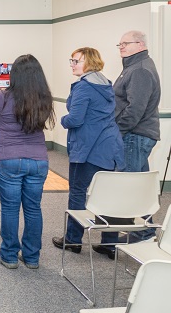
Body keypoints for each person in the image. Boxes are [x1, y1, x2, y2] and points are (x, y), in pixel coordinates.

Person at [0, 54, 55, 269]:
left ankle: (9, 255)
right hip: (38, 161)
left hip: (9, 159)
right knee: (33, 208)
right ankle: (32, 257)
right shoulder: (45, 98)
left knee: (10, 208)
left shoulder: (4, 97)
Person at [93, 30, 162, 254]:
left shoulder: (140, 70)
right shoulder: (133, 67)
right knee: (140, 186)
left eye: (126, 43)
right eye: (119, 44)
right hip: (135, 135)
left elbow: (135, 109)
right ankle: (145, 232)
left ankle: (142, 234)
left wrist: (117, 131)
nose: (121, 47)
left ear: (140, 44)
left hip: (135, 135)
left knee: (129, 187)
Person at [51, 47, 124, 256]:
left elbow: (75, 119)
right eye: (71, 60)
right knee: (108, 194)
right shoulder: (105, 83)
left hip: (88, 149)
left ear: (89, 62)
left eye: (76, 61)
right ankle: (109, 243)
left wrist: (62, 121)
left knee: (77, 192)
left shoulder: (84, 87)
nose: (72, 64)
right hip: (110, 148)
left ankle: (73, 240)